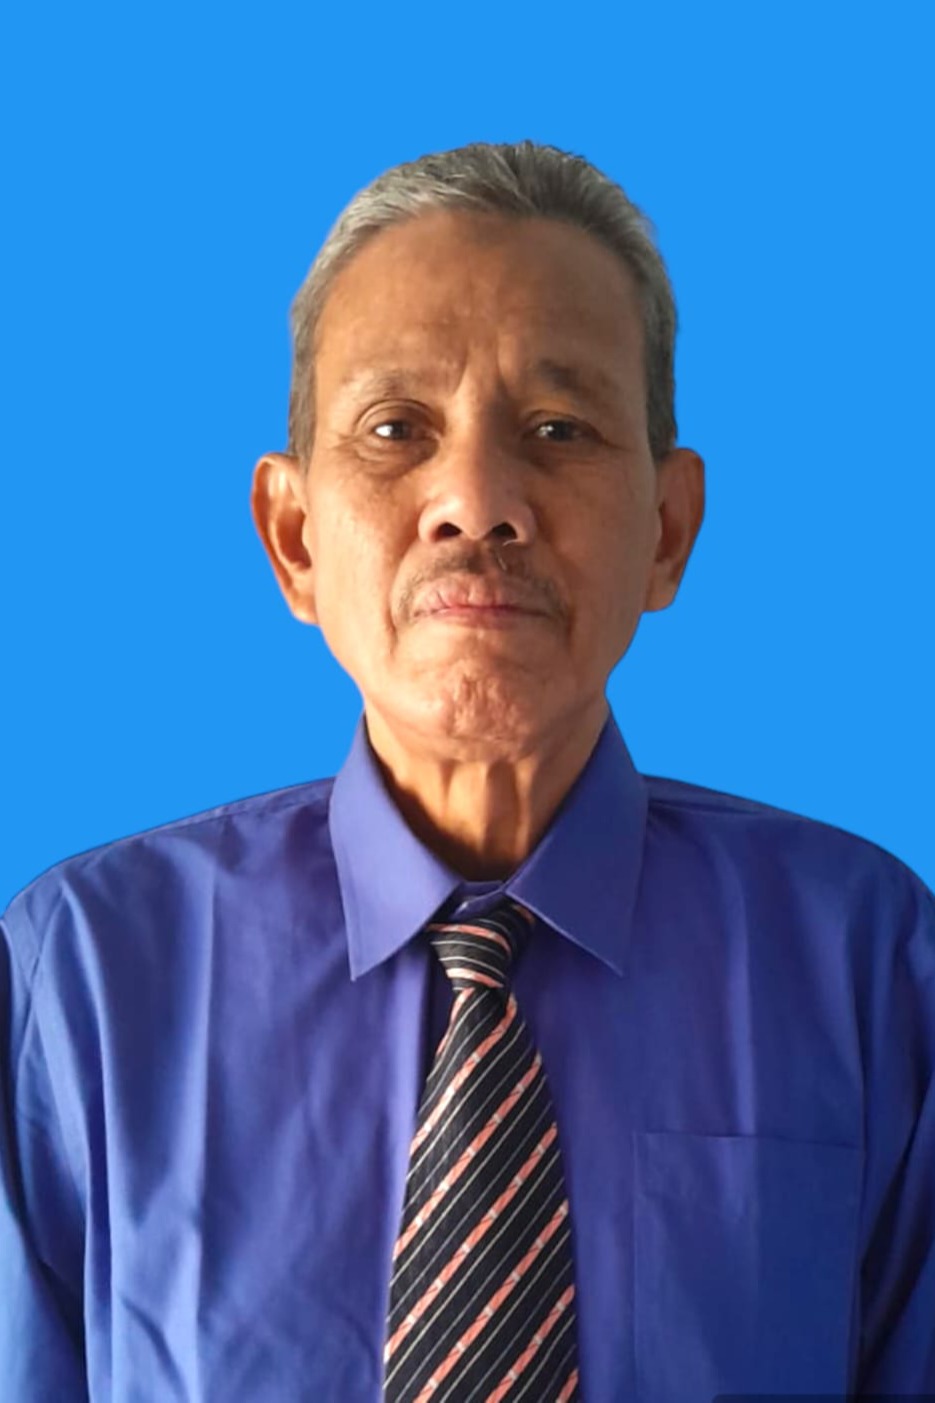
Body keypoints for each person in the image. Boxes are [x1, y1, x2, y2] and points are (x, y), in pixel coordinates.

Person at [1, 138, 933, 1403]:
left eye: (557, 427)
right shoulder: (82, 979)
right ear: (292, 538)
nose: (477, 499)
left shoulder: (868, 963)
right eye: (396, 428)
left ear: (666, 529)